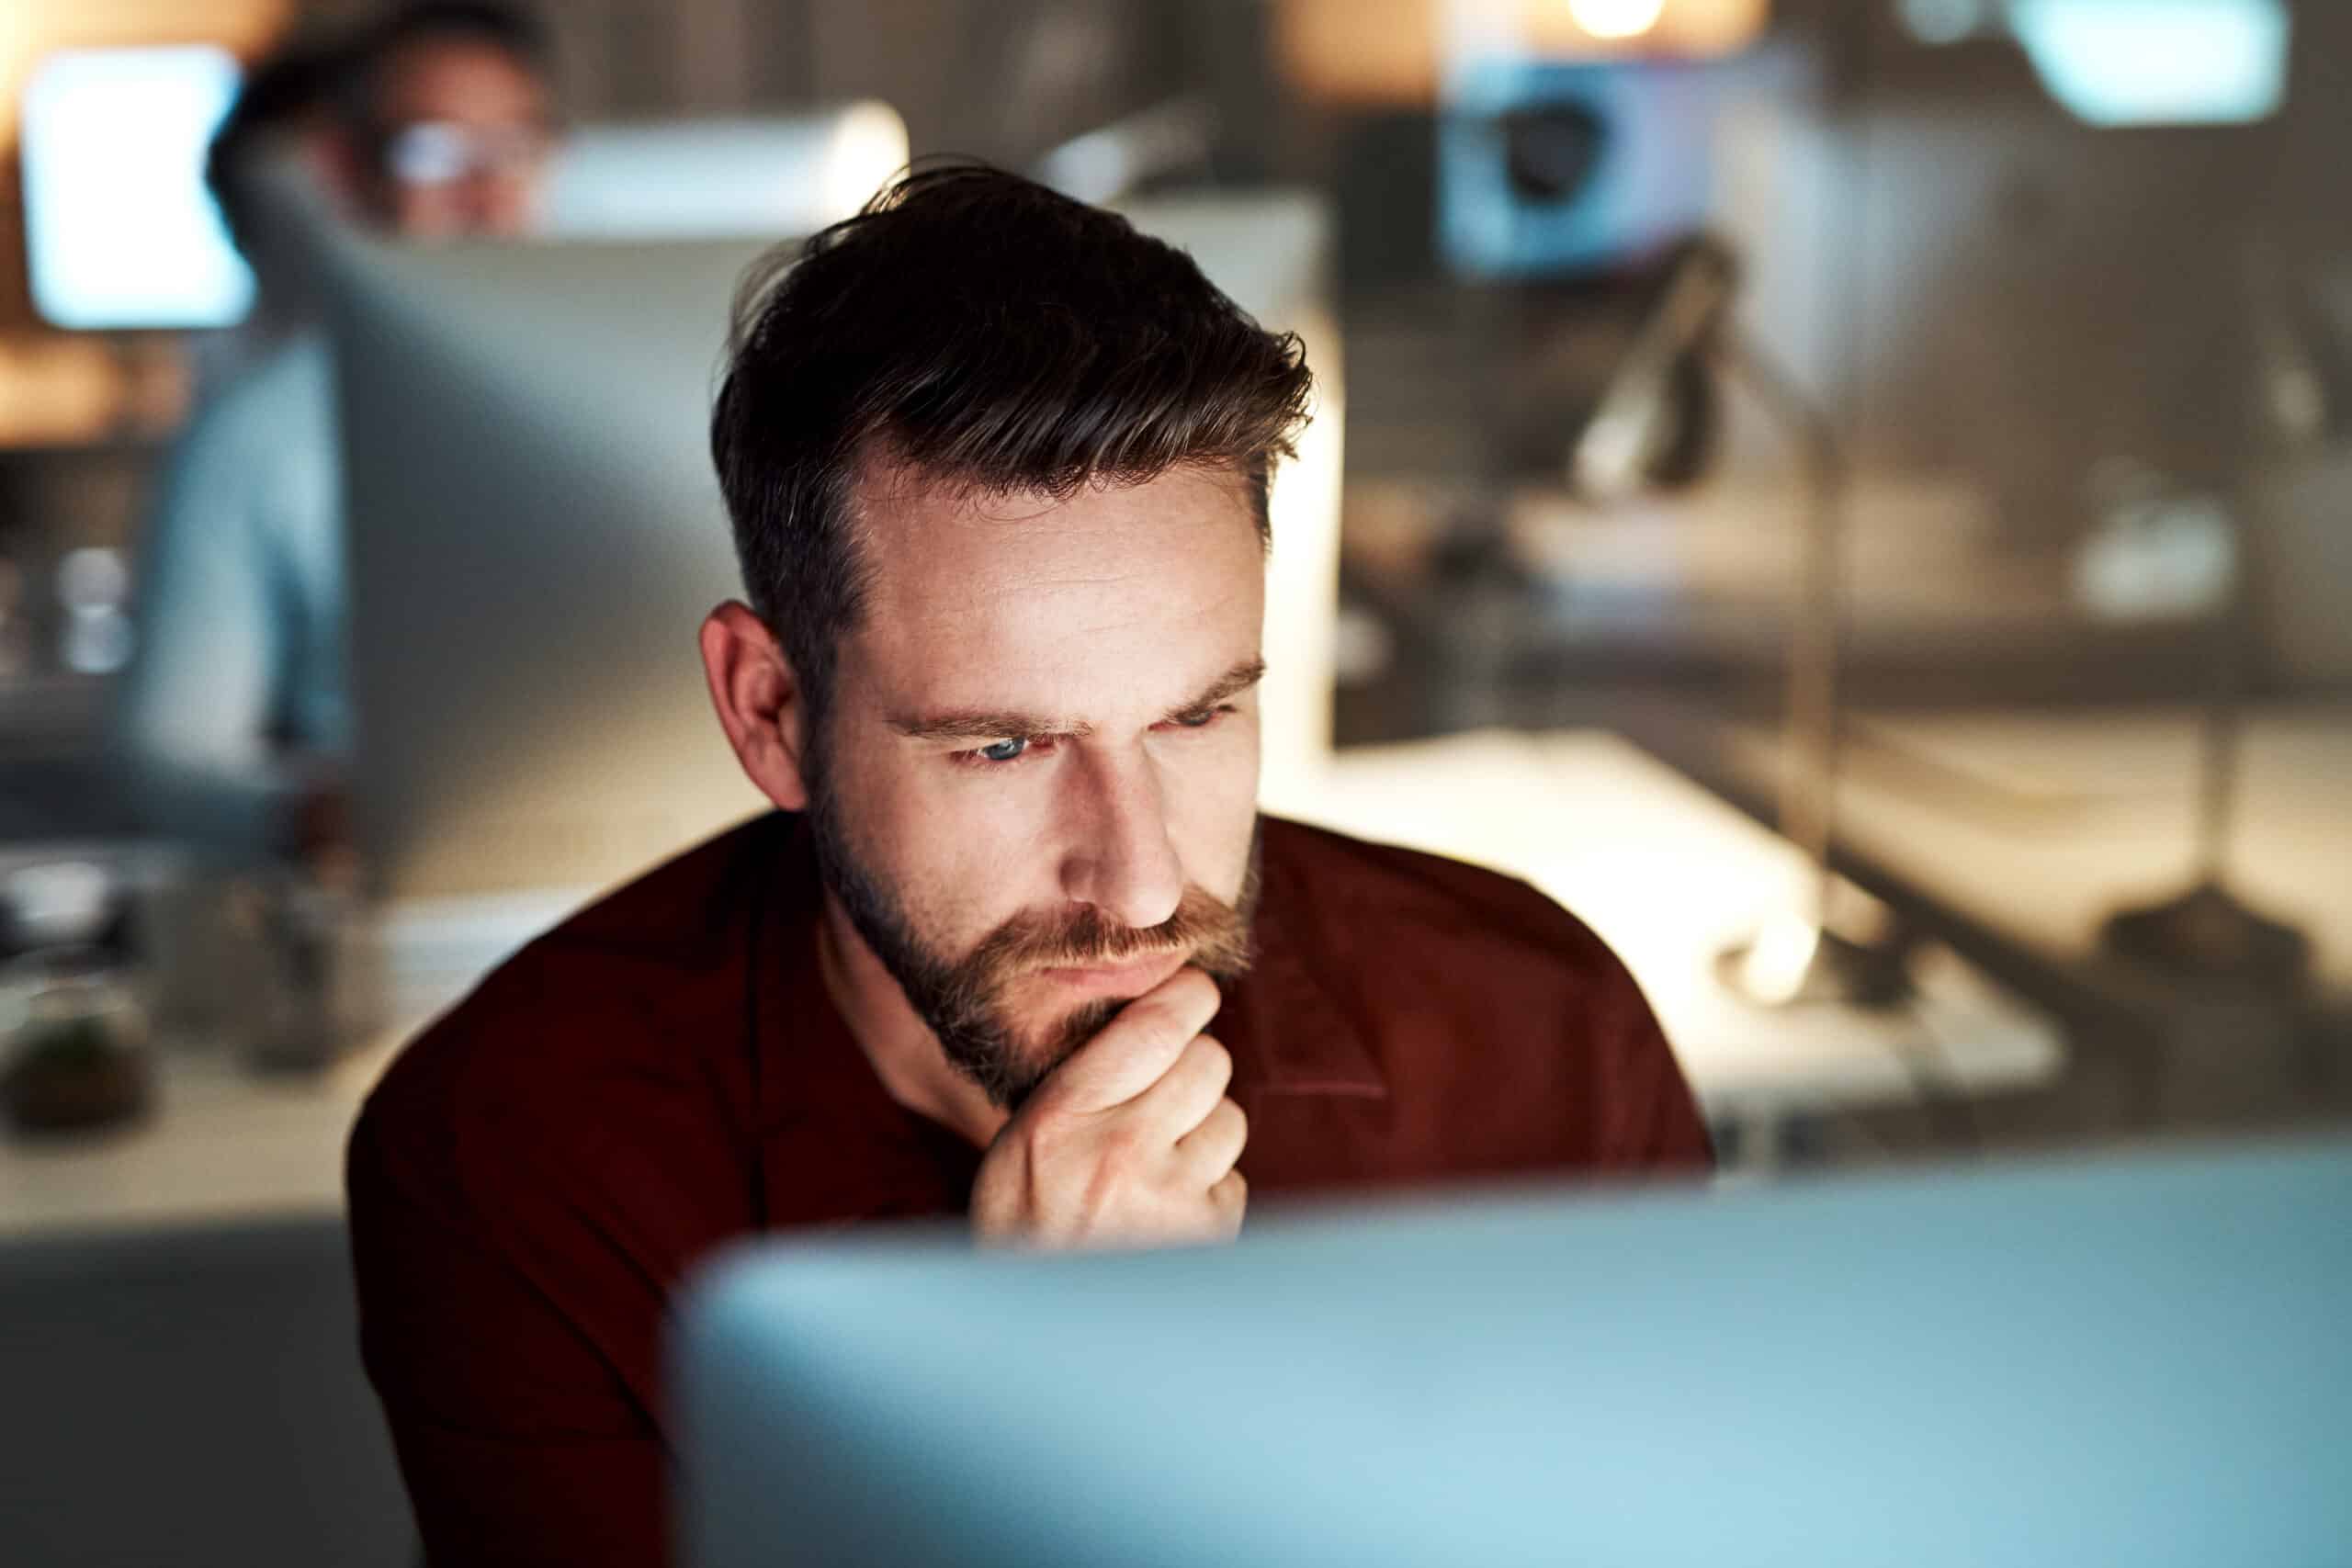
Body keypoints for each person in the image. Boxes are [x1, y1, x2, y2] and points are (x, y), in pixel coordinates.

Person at [346, 165, 1713, 1566]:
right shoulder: (515, 1157)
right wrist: (1056, 1392)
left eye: (1195, 716)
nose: (1141, 885)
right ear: (773, 712)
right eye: (1002, 745)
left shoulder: (1544, 1041)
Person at [109, 2, 559, 863]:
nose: (487, 195)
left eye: (515, 149)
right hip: (396, 883)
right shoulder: (255, 438)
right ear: (343, 171)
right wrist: (316, 814)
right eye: (434, 151)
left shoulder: (646, 389)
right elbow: (167, 756)